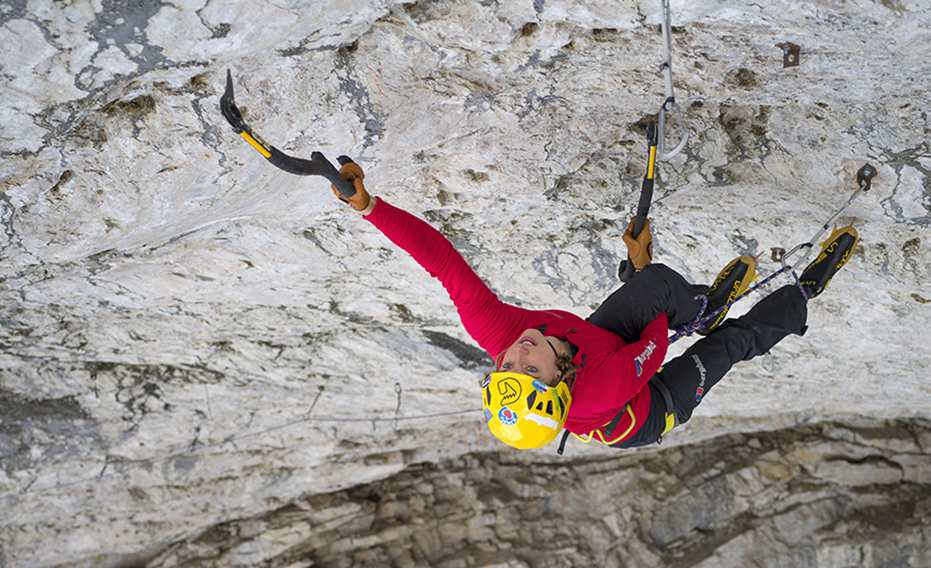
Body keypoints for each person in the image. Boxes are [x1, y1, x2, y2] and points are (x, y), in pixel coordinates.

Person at [331, 163, 858, 451]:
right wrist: (647, 301)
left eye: (506, 367)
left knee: (656, 286)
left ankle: (701, 306)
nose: (518, 352)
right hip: (646, 406)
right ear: (557, 380)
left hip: (595, 349)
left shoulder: (501, 333)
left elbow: (443, 262)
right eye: (528, 368)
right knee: (727, 344)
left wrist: (368, 206)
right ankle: (799, 299)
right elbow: (652, 341)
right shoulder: (601, 388)